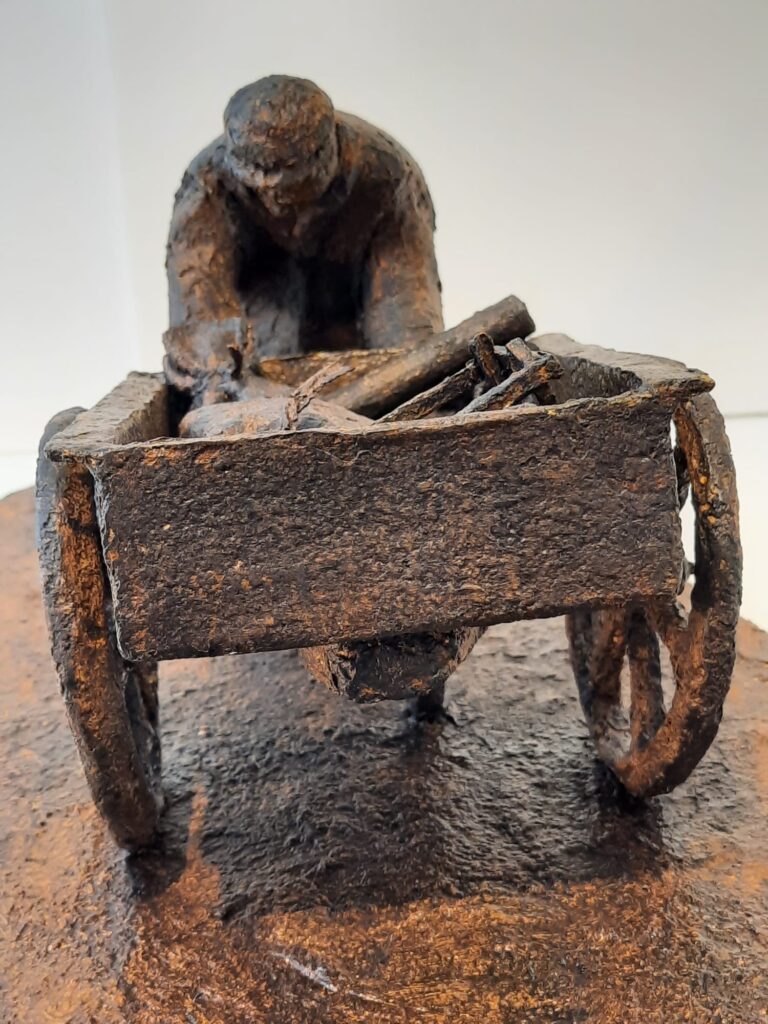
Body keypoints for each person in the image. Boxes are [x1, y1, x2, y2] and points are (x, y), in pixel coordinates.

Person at [166, 75, 443, 403]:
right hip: (260, 361)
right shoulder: (205, 185)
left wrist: (408, 388)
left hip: (356, 353)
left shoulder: (387, 175)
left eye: (291, 177)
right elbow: (201, 322)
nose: (274, 198)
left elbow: (406, 317)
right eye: (259, 183)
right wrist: (226, 376)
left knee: (410, 378)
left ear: (327, 151)